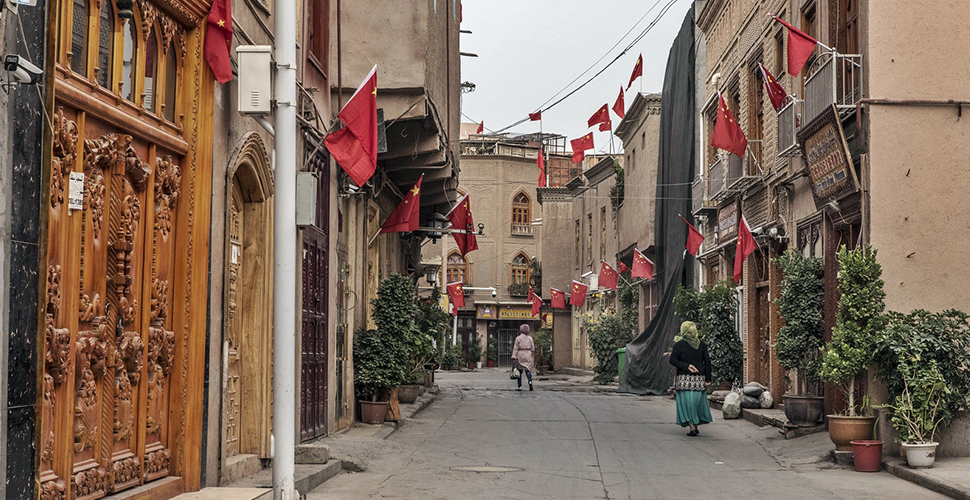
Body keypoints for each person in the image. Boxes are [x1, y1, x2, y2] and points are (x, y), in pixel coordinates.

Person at [668, 321, 712, 436]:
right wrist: (708, 378)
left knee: (686, 404)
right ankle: (695, 426)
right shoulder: (701, 345)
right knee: (696, 404)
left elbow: (672, 360)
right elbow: (707, 362)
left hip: (684, 380)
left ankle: (692, 427)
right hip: (699, 381)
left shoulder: (679, 345)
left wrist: (685, 366)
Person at [511, 324, 535, 391]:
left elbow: (515, 348)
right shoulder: (530, 338)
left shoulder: (518, 338)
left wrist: (514, 356)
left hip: (520, 354)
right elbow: (533, 348)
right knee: (528, 370)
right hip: (528, 354)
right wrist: (531, 353)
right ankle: (530, 382)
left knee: (519, 371)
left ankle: (520, 386)